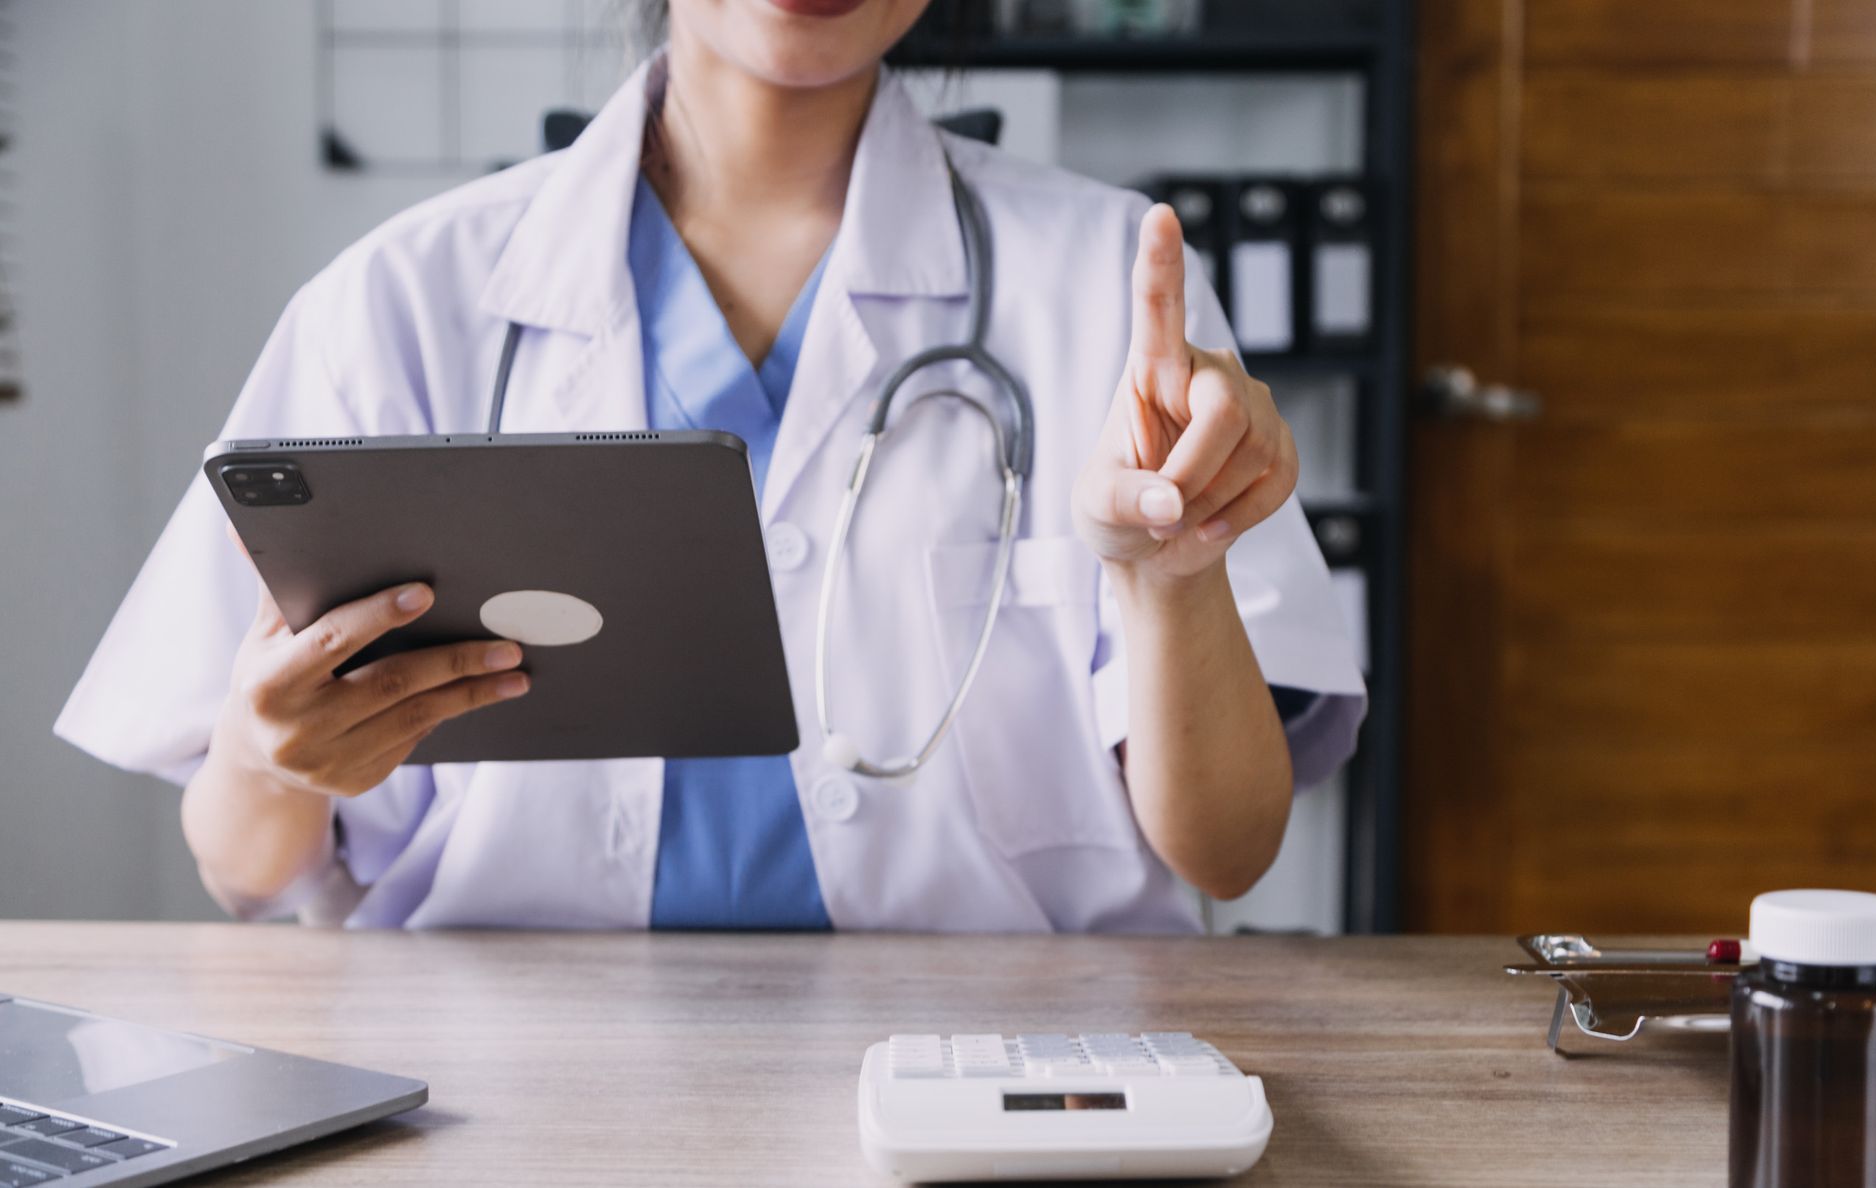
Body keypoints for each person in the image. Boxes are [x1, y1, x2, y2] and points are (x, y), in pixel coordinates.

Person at [56, 0, 1365, 932]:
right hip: (502, 1097)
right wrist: (278, 760)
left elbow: (1231, 851)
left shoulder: (1107, 289)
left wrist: (1172, 579)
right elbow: (241, 871)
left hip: (999, 1083)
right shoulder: (395, 305)